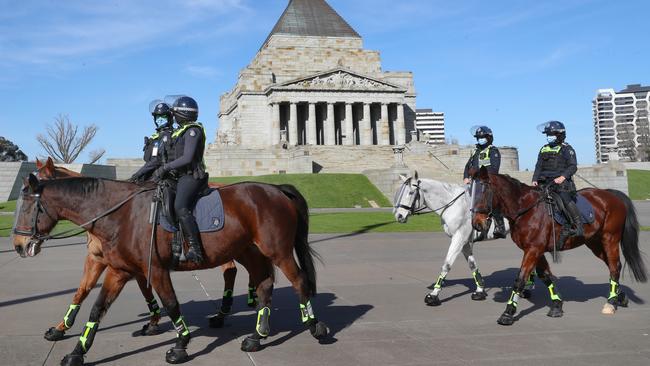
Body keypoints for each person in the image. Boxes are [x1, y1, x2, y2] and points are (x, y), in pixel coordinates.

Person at [152, 96, 208, 264]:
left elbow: (188, 158)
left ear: (182, 115)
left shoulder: (193, 131)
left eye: (175, 113)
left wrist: (166, 168)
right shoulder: (180, 131)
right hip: (180, 176)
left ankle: (195, 249)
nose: (173, 116)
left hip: (192, 176)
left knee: (180, 206)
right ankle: (175, 244)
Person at [532, 120, 583, 245]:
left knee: (564, 199)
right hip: (544, 183)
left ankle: (578, 225)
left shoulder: (567, 149)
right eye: (548, 135)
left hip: (561, 184)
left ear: (559, 135)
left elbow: (572, 166)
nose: (549, 137)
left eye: (552, 135)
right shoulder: (544, 149)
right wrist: (534, 179)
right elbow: (538, 166)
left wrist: (562, 177)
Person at [463, 125, 506, 238]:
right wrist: (466, 176)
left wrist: (477, 172)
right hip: (475, 183)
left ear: (488, 138)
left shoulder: (493, 151)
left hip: (488, 182)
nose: (480, 139)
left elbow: (494, 169)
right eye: (478, 137)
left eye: (482, 137)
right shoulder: (475, 151)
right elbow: (468, 166)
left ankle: (500, 227)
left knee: (493, 201)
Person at [129, 101, 174, 182]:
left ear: (169, 118)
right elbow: (151, 159)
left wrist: (138, 174)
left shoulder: (168, 135)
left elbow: (156, 160)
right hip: (154, 172)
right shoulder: (156, 137)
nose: (159, 120)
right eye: (157, 117)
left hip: (165, 175)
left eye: (163, 117)